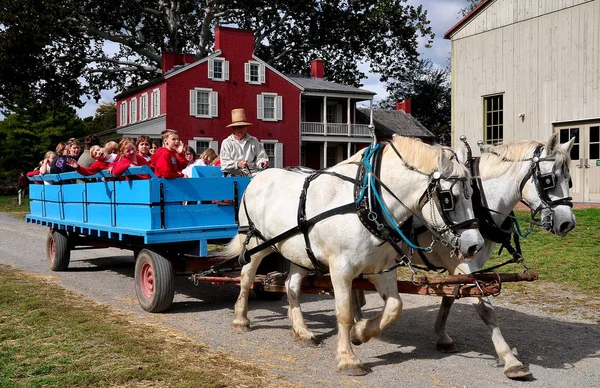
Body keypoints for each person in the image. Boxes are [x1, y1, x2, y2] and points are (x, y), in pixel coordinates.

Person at [220, 108, 269, 176]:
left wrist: (262, 163)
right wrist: (237, 164)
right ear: (234, 128)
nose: (241, 130)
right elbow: (224, 164)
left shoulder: (254, 141)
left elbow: (261, 157)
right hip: (233, 175)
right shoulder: (227, 143)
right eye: (239, 127)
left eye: (243, 127)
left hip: (253, 174)